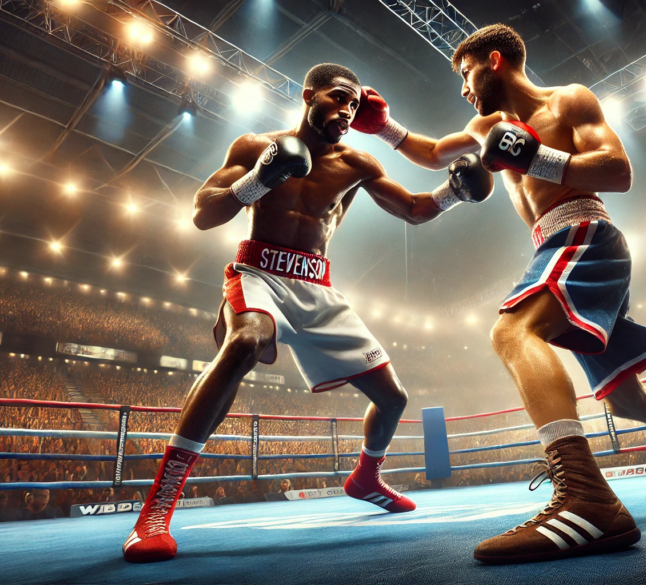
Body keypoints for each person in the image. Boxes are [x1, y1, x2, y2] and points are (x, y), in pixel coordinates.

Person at [354, 24, 646, 564]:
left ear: (493, 60)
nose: (463, 89)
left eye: (465, 74)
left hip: (583, 231)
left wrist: (535, 158)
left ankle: (584, 497)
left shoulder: (569, 101)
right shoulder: (485, 124)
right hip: (553, 244)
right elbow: (434, 152)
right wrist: (383, 127)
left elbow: (618, 171)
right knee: (628, 399)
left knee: (512, 329)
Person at [122, 63, 494, 564]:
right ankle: (157, 508)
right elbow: (203, 211)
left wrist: (456, 193)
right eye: (339, 99)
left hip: (317, 285)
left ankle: (366, 478)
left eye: (355, 106)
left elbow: (414, 208)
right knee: (245, 341)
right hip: (259, 272)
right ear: (308, 93)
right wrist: (259, 180)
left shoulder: (358, 164)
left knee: (392, 399)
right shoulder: (256, 147)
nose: (346, 111)